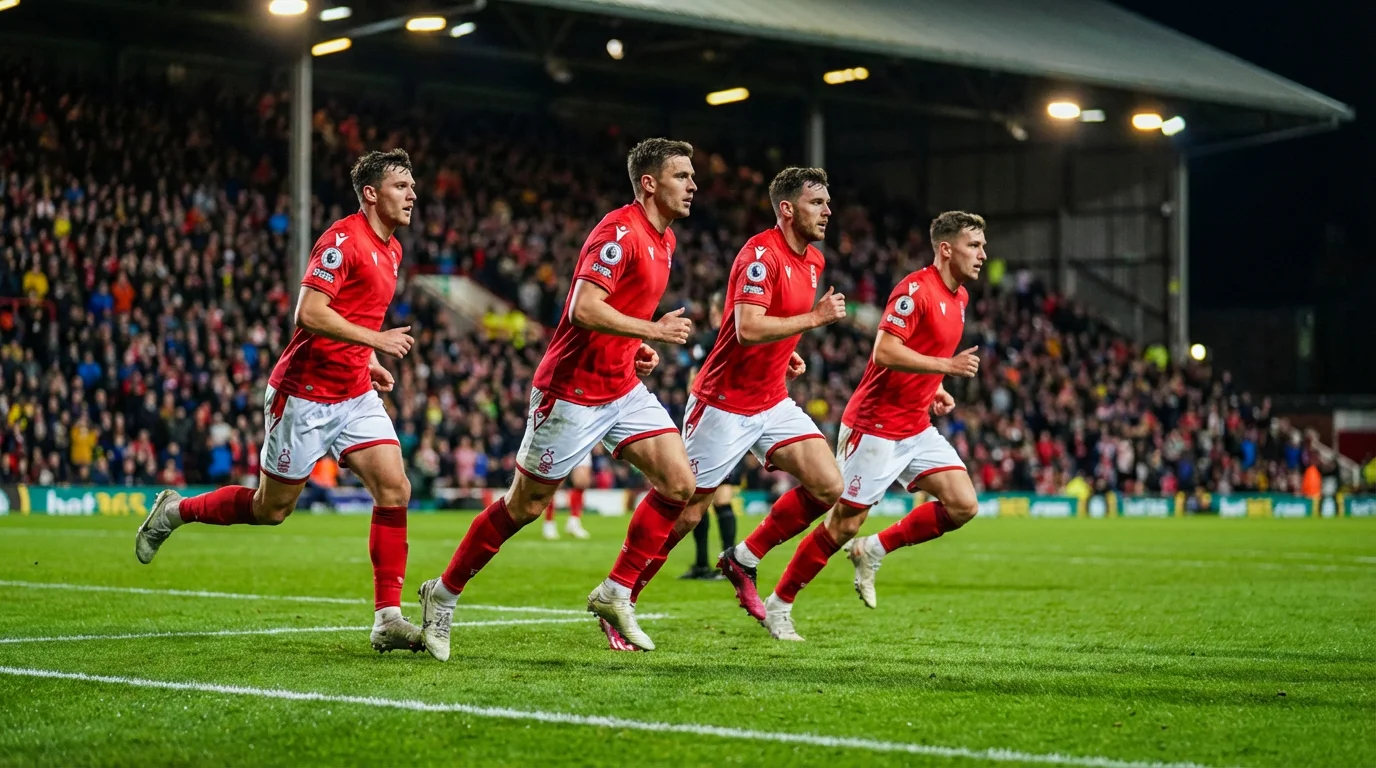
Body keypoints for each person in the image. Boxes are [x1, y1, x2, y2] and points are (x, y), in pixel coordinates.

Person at [417, 138, 699, 659]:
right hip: (570, 390)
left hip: (620, 387)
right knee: (523, 506)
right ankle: (443, 593)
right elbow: (582, 308)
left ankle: (615, 591)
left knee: (681, 483)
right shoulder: (619, 233)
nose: (693, 184)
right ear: (650, 183)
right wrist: (652, 331)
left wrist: (635, 344)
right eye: (682, 175)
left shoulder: (666, 240)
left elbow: (618, 311)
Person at [134, 149, 423, 653]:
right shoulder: (342, 239)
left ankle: (387, 618)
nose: (412, 194)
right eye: (401, 185)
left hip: (353, 391)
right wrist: (376, 342)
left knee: (395, 486)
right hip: (304, 395)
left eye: (412, 185)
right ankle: (175, 511)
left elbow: (358, 314)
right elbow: (309, 313)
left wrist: (367, 355)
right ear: (372, 194)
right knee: (271, 510)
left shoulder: (392, 249)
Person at [602, 167, 848, 651]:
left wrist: (789, 347)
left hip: (772, 398)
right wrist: (814, 319)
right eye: (817, 202)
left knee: (828, 484)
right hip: (724, 403)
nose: (827, 210)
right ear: (787, 209)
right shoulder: (759, 255)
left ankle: (744, 558)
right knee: (686, 514)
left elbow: (772, 327)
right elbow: (748, 328)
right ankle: (621, 598)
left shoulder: (814, 260)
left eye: (826, 202)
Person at [759, 211, 987, 641]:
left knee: (963, 505)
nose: (982, 254)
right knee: (842, 523)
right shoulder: (914, 290)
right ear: (946, 249)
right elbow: (884, 351)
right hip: (876, 424)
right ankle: (780, 604)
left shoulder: (959, 299)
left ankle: (874, 549)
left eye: (981, 245)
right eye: (974, 245)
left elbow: (923, 349)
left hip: (915, 425)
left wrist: (934, 386)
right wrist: (946, 367)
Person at [679, 291, 736, 581]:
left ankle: (704, 563)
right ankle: (726, 564)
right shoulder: (743, 337)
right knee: (721, 499)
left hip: (709, 421)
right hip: (738, 421)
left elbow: (693, 381)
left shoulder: (707, 341)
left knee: (698, 498)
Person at [541, 453, 591, 540]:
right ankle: (549, 523)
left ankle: (574, 523)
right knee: (554, 483)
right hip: (560, 443)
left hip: (581, 441)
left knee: (582, 482)